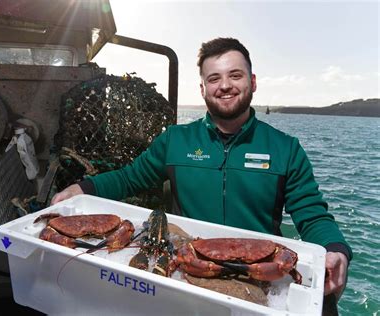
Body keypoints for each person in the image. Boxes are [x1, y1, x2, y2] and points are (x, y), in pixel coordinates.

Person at [51, 37, 351, 304]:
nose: (225, 85)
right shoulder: (175, 140)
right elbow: (129, 177)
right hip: (188, 269)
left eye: (236, 75)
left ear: (253, 81)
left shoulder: (286, 148)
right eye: (214, 78)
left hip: (260, 273)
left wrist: (335, 248)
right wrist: (83, 188)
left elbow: (311, 213)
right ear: (203, 88)